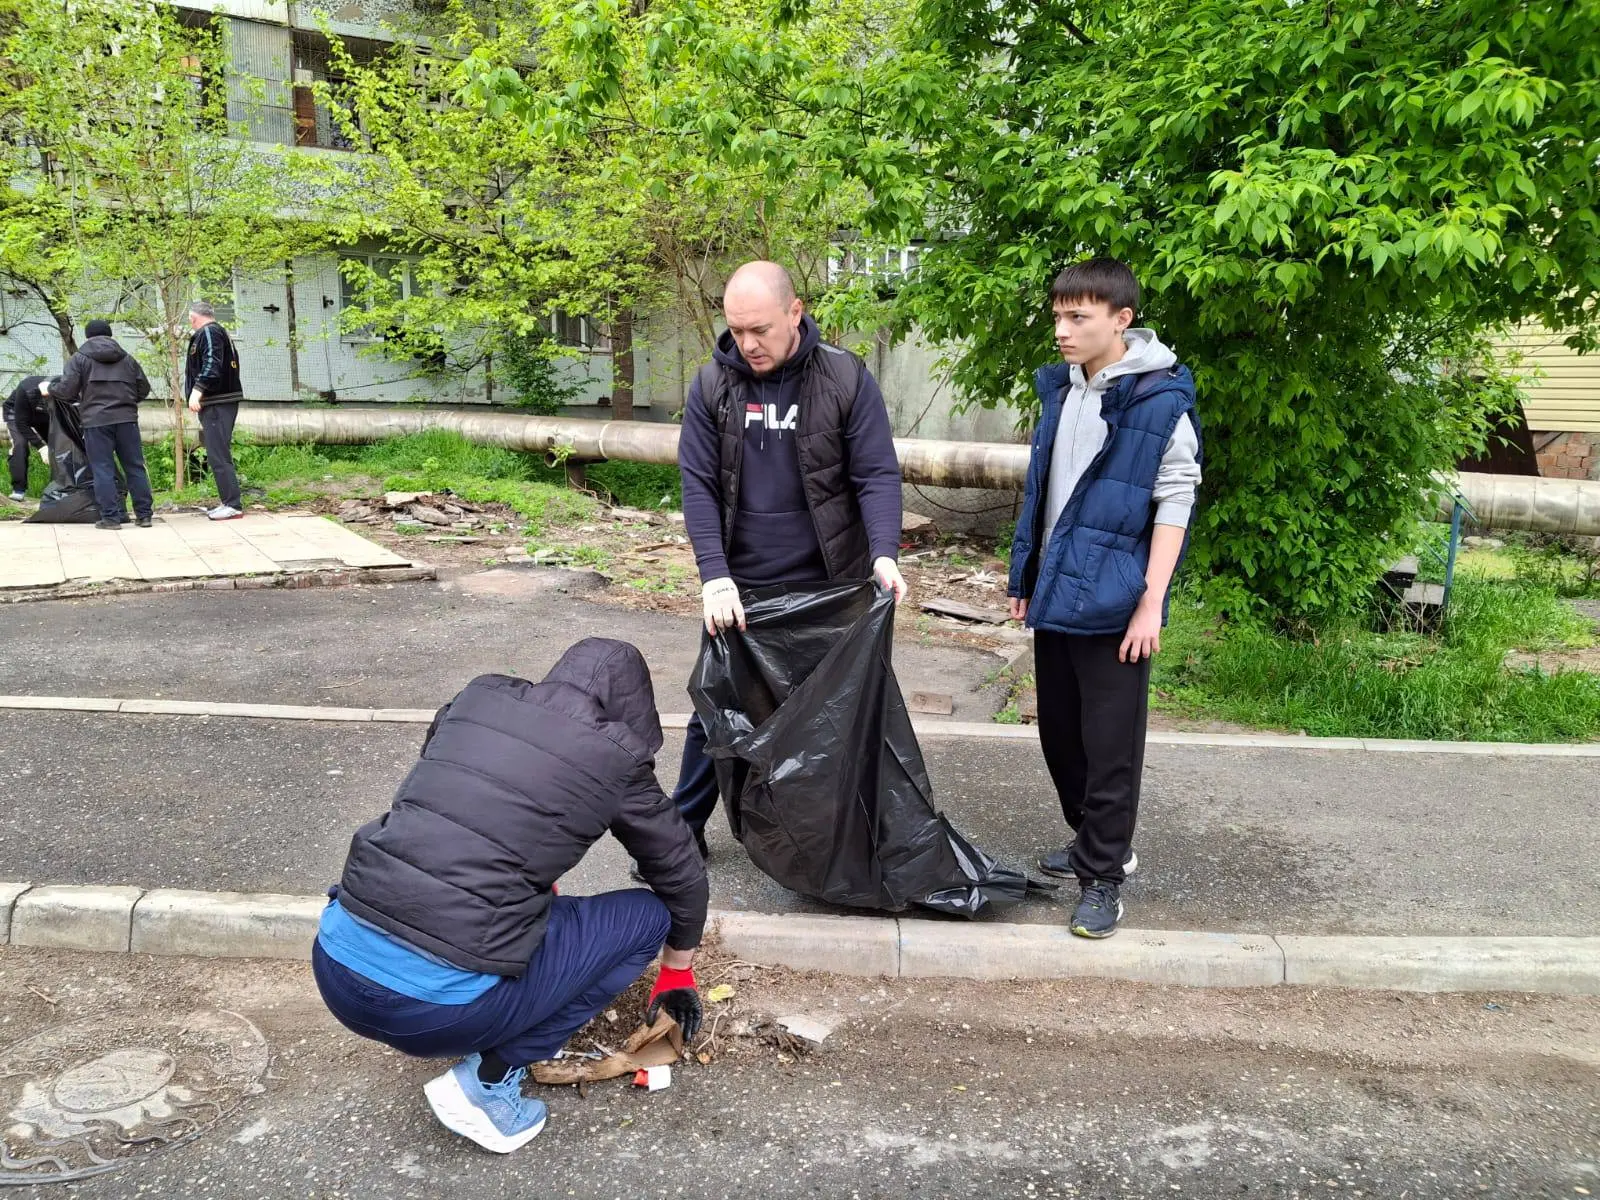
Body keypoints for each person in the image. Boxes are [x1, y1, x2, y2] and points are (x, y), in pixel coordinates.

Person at [313, 639, 709, 1155]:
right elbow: (680, 871)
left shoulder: (476, 699)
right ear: (633, 713)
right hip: (433, 1016)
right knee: (648, 917)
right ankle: (487, 1080)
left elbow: (457, 792)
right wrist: (677, 972)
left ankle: (469, 1010)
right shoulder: (615, 755)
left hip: (334, 965)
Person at [671, 259, 907, 855]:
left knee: (838, 714)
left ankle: (842, 842)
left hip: (829, 584)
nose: (747, 344)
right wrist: (714, 576)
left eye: (761, 330)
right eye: (736, 330)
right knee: (718, 709)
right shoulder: (712, 386)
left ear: (795, 312)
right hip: (741, 586)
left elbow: (876, 474)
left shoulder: (844, 378)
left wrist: (884, 553)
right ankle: (680, 835)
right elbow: (698, 485)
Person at [1006, 257, 1202, 940]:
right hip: (1058, 590)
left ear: (1122, 320)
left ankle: (1103, 880)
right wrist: (1025, 578)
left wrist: (1150, 604)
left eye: (1077, 317)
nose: (1062, 330)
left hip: (1117, 601)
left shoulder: (1159, 401)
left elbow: (1176, 500)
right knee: (1061, 736)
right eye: (1058, 316)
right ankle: (1095, 840)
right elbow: (1042, 494)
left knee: (1110, 745)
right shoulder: (1062, 391)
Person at [41, 320, 154, 530]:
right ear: (110, 334)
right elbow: (143, 388)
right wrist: (127, 402)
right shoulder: (127, 359)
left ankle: (110, 518)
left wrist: (50, 389)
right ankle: (144, 516)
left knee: (102, 469)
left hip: (96, 422)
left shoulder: (80, 358)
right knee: (134, 467)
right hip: (127, 420)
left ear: (88, 336)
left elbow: (67, 391)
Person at [184, 300, 245, 520]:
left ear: (193, 317)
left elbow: (212, 364)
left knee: (218, 453)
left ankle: (232, 505)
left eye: (190, 320)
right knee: (217, 452)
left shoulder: (209, 332)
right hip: (218, 401)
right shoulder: (218, 332)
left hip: (217, 401)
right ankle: (228, 502)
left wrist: (197, 391)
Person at [4, 375, 50, 501]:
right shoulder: (26, 387)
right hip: (16, 412)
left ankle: (63, 486)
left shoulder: (65, 388)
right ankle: (18, 489)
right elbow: (21, 423)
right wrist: (41, 447)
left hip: (42, 414)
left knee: (59, 444)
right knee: (20, 444)